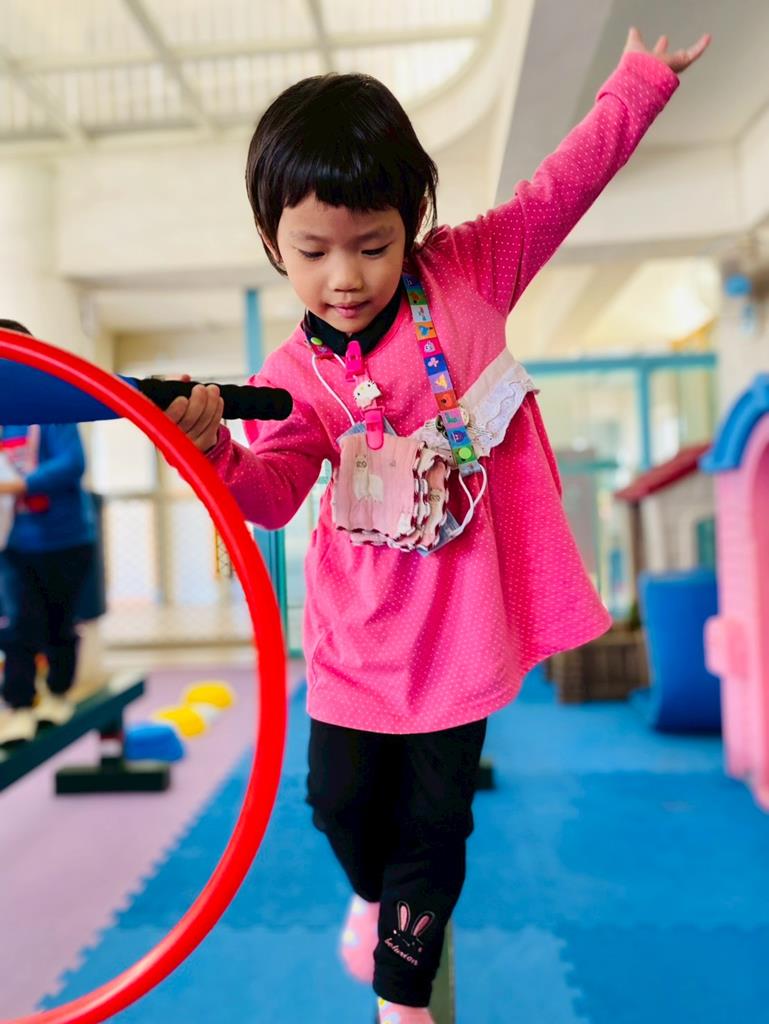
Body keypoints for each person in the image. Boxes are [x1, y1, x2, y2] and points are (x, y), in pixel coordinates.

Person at [162, 28, 710, 1023]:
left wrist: (637, 85)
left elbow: (559, 189)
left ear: (411, 222)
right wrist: (213, 454)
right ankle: (371, 902)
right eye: (312, 252)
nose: (344, 276)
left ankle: (401, 993)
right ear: (272, 244)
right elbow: (274, 493)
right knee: (337, 807)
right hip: (354, 643)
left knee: (434, 824)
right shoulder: (291, 376)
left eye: (372, 245)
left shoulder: (469, 273)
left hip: (458, 634)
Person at [0, 323, 96, 745]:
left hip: (66, 540)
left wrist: (21, 484)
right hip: (15, 543)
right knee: (19, 625)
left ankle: (58, 694)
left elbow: (72, 463)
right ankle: (19, 705)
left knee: (60, 622)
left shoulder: (51, 409)